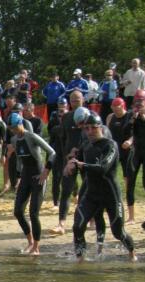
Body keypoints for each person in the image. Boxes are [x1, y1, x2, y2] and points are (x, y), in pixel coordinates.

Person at [67, 113, 136, 261]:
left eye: (93, 128)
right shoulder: (86, 145)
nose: (90, 131)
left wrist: (81, 165)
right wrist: (71, 163)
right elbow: (76, 159)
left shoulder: (110, 145)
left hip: (111, 195)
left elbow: (103, 168)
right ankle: (80, 260)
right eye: (87, 128)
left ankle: (132, 254)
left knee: (118, 232)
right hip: (92, 194)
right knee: (77, 227)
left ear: (101, 128)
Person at [9, 112, 55, 255]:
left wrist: (46, 171)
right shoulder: (14, 140)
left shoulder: (32, 137)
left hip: (38, 177)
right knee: (18, 211)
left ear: (20, 124)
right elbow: (19, 159)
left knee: (33, 213)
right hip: (25, 177)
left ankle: (36, 246)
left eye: (15, 127)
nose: (14, 130)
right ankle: (29, 242)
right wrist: (18, 178)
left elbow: (52, 152)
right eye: (12, 128)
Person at [51, 92, 88, 234]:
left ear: (83, 100)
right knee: (66, 189)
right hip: (70, 158)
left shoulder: (90, 116)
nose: (75, 102)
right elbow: (63, 139)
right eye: (72, 100)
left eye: (77, 100)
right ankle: (61, 223)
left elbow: (95, 137)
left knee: (88, 188)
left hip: (86, 158)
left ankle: (90, 219)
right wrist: (66, 156)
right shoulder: (66, 117)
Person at [124, 89, 145, 222]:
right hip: (136, 150)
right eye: (136, 102)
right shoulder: (131, 114)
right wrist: (132, 120)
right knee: (130, 182)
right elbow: (125, 131)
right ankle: (131, 216)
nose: (139, 105)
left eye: (141, 102)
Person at [47, 98, 68, 206]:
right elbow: (50, 132)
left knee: (69, 175)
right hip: (56, 149)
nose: (61, 107)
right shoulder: (53, 117)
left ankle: (73, 194)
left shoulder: (70, 117)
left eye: (63, 105)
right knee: (56, 176)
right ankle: (56, 201)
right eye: (60, 104)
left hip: (67, 150)